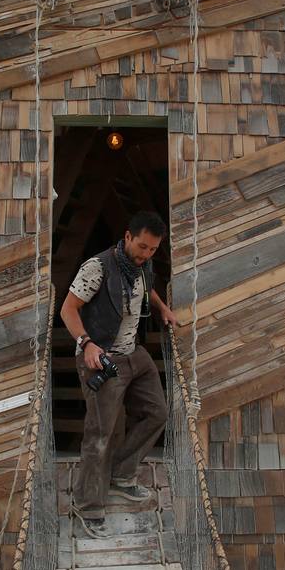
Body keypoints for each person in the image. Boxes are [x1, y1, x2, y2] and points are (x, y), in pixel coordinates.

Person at [60, 211, 179, 538]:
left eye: (153, 250)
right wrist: (86, 345)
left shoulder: (143, 267)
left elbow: (146, 289)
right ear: (127, 237)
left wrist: (162, 309)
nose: (146, 254)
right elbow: (67, 309)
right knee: (100, 434)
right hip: (101, 356)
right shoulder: (96, 267)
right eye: (142, 246)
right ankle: (88, 506)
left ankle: (122, 475)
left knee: (159, 412)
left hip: (134, 353)